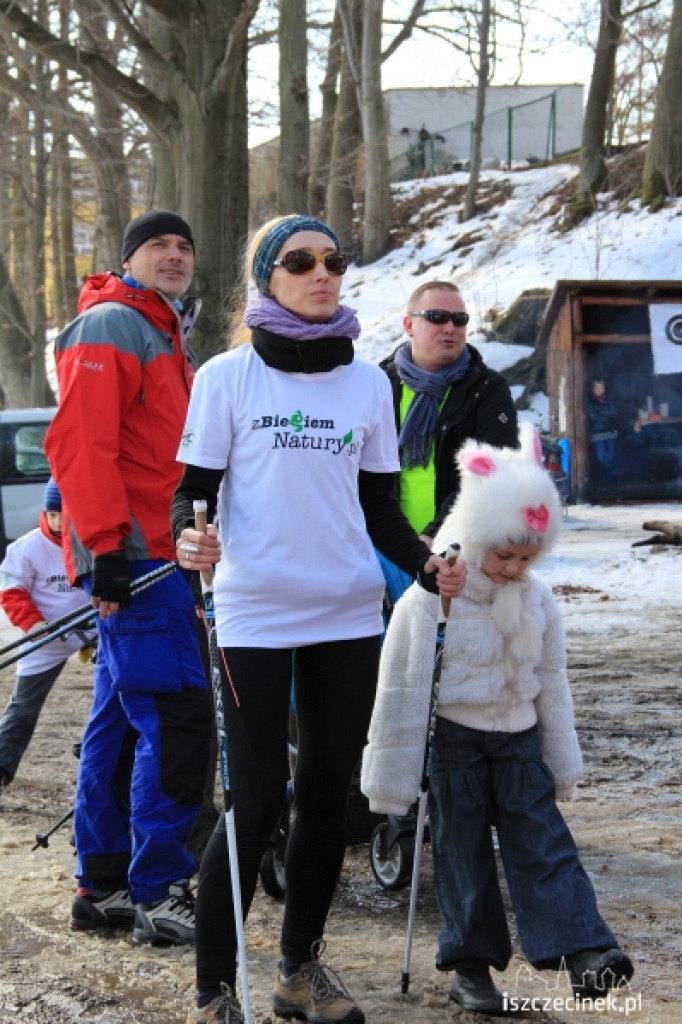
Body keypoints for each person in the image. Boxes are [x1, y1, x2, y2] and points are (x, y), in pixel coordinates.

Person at [170, 213, 466, 1024]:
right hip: (255, 611)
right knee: (257, 798)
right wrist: (189, 538)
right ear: (266, 276)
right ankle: (213, 988)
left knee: (330, 796)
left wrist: (426, 564)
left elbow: (378, 509)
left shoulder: (368, 384)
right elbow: (188, 493)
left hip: (345, 611)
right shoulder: (227, 378)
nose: (321, 272)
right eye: (299, 261)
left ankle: (300, 971)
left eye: (333, 259)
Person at [361, 423, 634, 1015]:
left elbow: (552, 682)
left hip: (518, 741)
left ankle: (585, 951)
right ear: (473, 535)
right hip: (455, 741)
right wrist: (393, 783)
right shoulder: (431, 600)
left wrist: (562, 759)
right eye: (505, 555)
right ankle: (470, 966)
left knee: (545, 843)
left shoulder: (538, 600)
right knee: (463, 856)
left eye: (527, 557)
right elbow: (403, 688)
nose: (515, 568)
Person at [43, 209, 214, 946]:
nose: (174, 255)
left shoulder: (164, 333)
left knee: (118, 721)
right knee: (176, 717)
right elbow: (82, 445)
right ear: (129, 259)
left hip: (155, 551)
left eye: (184, 245)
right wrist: (108, 549)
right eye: (157, 246)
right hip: (141, 558)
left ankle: (105, 883)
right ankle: (160, 887)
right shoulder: (112, 325)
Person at [0, 478, 95, 787]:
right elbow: (11, 592)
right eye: (52, 514)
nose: (57, 522)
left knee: (115, 696)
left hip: (94, 632)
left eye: (63, 515)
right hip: (45, 637)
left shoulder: (92, 541)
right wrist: (34, 625)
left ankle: (96, 759)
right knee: (23, 708)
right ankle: (2, 767)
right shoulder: (25, 548)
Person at [588, 378, 619, 487]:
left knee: (609, 457)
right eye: (596, 387)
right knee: (602, 458)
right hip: (597, 434)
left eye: (600, 387)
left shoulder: (610, 400)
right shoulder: (590, 402)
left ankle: (607, 482)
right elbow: (592, 416)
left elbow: (615, 413)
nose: (598, 389)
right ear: (592, 389)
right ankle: (616, 473)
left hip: (611, 433)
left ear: (604, 388)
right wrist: (606, 416)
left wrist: (601, 416)